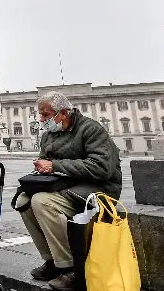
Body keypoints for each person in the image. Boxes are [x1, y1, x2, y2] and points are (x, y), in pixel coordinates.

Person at [12, 91, 122, 291]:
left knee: (42, 202)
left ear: (63, 113)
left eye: (45, 114)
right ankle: (52, 260)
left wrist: (54, 166)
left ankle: (71, 268)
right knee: (23, 202)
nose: (42, 119)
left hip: (97, 190)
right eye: (41, 115)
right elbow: (47, 163)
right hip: (65, 186)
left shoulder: (91, 130)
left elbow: (101, 168)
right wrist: (40, 170)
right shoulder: (49, 135)